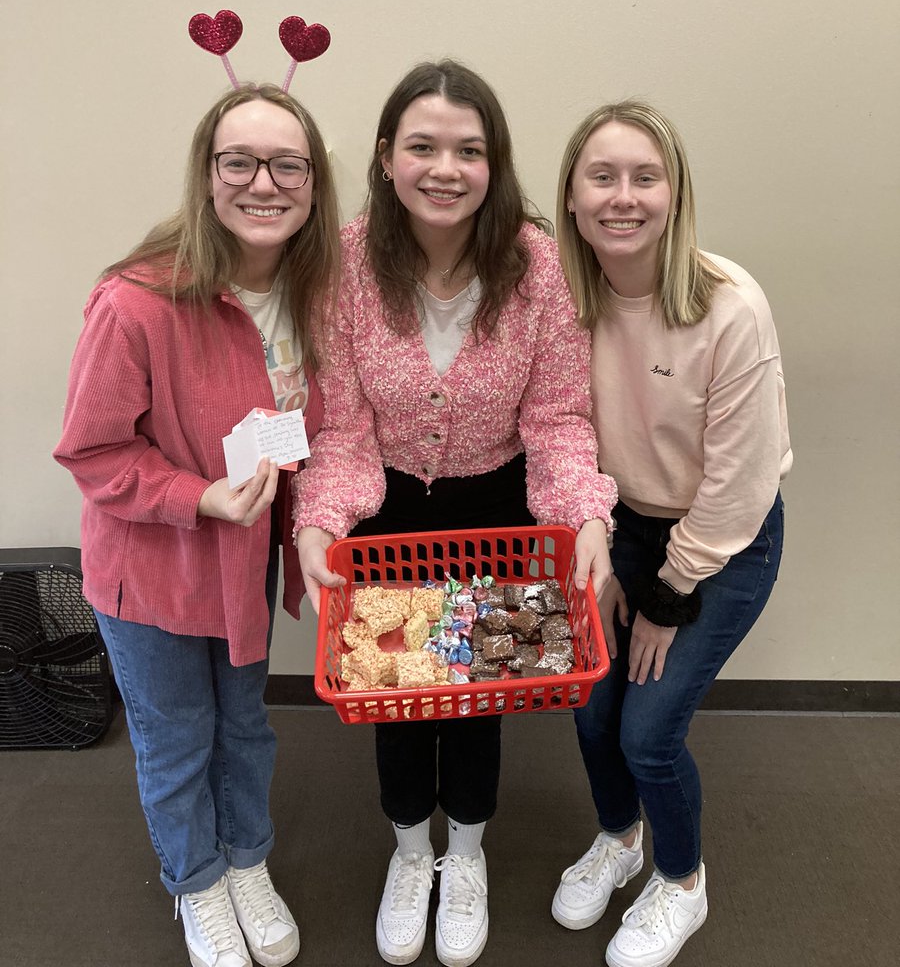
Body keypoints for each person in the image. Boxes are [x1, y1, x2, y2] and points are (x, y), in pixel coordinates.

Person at [293, 60, 617, 967]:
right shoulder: (349, 263)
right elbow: (345, 426)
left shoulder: (537, 264)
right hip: (388, 507)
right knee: (397, 693)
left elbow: (555, 416)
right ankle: (409, 856)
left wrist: (582, 516)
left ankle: (465, 856)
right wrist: (320, 520)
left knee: (479, 693)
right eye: (423, 146)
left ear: (495, 163)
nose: (445, 168)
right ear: (389, 157)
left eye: (469, 150)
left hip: (495, 503)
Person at [54, 83, 339, 967]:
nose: (265, 182)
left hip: (244, 560)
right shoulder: (135, 303)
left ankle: (246, 861)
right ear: (207, 175)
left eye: (287, 163)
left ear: (314, 181)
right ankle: (197, 882)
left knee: (245, 725)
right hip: (156, 568)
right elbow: (93, 455)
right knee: (176, 737)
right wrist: (196, 497)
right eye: (240, 161)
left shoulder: (313, 290)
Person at [551, 101, 791, 967]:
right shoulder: (564, 303)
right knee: (590, 709)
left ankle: (681, 882)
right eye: (602, 177)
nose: (624, 197)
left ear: (675, 191)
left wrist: (665, 595)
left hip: (720, 545)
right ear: (572, 199)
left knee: (648, 732)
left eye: (644, 177)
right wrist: (598, 538)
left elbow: (735, 488)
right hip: (618, 527)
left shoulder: (729, 306)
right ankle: (619, 841)